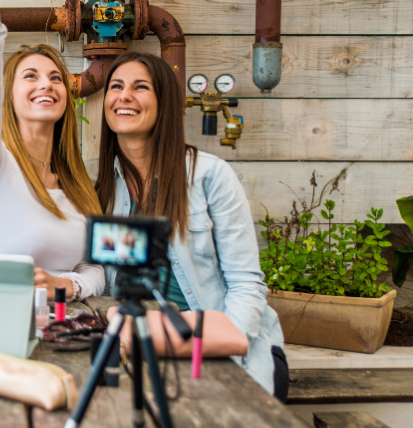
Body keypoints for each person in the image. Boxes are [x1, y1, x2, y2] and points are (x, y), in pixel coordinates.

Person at [94, 50, 288, 401]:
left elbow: (246, 285)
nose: (124, 96)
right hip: (140, 342)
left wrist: (226, 355)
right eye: (116, 86)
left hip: (215, 349)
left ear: (165, 102)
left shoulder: (209, 176)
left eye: (140, 87)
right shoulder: (103, 182)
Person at [0, 0, 104, 301]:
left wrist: (71, 285)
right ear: (8, 94)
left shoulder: (77, 182)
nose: (47, 84)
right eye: (31, 76)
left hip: (68, 330)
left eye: (56, 77)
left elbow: (95, 268)